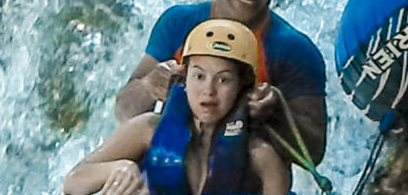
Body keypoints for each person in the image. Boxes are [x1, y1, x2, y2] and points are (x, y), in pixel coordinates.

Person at [115, 0, 328, 168]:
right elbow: (124, 111)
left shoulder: (294, 50)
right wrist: (149, 85)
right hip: (170, 172)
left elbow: (314, 153)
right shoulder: (177, 24)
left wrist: (275, 115)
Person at [64, 19, 289, 195]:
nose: (208, 90)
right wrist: (117, 168)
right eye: (199, 76)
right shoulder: (147, 129)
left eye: (223, 80)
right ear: (183, 78)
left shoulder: (261, 156)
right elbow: (73, 183)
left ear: (243, 86)